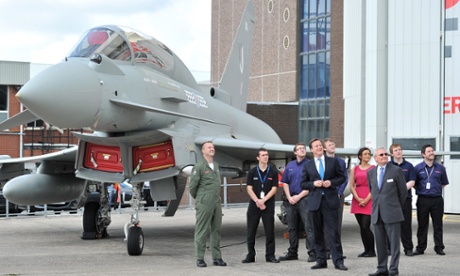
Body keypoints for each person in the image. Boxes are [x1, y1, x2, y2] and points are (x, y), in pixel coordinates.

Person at [300, 138, 348, 271]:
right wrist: (313, 184)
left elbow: (342, 178)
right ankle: (321, 260)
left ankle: (338, 261)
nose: (319, 147)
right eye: (316, 146)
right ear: (312, 150)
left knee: (333, 232)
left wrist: (331, 183)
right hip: (315, 202)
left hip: (330, 201)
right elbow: (303, 183)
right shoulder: (308, 165)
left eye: (320, 146)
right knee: (317, 233)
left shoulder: (333, 162)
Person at [367, 147, 407, 276]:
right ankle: (382, 268)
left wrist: (395, 207)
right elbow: (373, 191)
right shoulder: (371, 173)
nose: (384, 156)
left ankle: (393, 270)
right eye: (381, 154)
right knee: (379, 244)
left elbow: (403, 192)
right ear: (376, 158)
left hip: (392, 213)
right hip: (377, 214)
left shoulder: (396, 171)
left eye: (386, 154)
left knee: (394, 244)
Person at [189, 141, 227, 268]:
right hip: (205, 201)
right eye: (209, 147)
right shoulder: (199, 166)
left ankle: (217, 257)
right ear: (203, 151)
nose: (212, 149)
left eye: (213, 147)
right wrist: (201, 198)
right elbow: (192, 187)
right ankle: (200, 258)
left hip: (216, 201)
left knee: (216, 229)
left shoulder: (215, 165)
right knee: (202, 229)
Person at [242, 148, 280, 264]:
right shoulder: (252, 172)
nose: (265, 157)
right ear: (258, 158)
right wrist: (257, 201)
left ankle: (270, 255)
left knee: (270, 231)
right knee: (251, 231)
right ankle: (250, 255)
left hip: (268, 205)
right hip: (254, 205)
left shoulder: (273, 172)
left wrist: (263, 200)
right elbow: (249, 188)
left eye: (267, 155)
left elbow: (274, 189)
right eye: (263, 155)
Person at [278, 143, 315, 262]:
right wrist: (289, 197)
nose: (302, 150)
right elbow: (285, 182)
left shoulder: (310, 164)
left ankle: (312, 253)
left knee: (308, 227)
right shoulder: (290, 165)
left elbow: (311, 184)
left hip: (304, 198)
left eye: (303, 149)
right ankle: (292, 252)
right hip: (290, 200)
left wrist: (299, 196)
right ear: (295, 152)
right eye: (299, 149)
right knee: (292, 227)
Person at [413, 144, 449, 256]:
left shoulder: (440, 168)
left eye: (432, 151)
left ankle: (439, 247)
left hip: (437, 199)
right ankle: (420, 248)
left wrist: (434, 190)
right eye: (429, 151)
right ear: (423, 154)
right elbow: (414, 183)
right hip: (423, 199)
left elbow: (443, 183)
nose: (431, 153)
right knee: (422, 225)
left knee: (438, 224)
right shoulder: (417, 168)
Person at [389, 144, 416, 256]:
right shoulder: (388, 166)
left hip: (406, 199)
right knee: (391, 225)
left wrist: (401, 189)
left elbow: (412, 181)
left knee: (406, 225)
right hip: (391, 200)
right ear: (392, 153)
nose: (399, 152)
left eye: (400, 149)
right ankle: (390, 248)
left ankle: (408, 248)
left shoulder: (409, 166)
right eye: (396, 150)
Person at [349, 147, 376, 257]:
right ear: (360, 156)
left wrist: (366, 199)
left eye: (369, 154)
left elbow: (375, 186)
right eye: (365, 154)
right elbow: (351, 185)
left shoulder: (373, 168)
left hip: (369, 198)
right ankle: (366, 250)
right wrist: (357, 197)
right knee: (361, 226)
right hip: (357, 198)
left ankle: (372, 251)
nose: (368, 156)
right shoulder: (354, 169)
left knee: (366, 225)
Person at [322, 138, 349, 237]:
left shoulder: (341, 162)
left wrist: (339, 192)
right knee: (324, 222)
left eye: (333, 144)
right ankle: (326, 249)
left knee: (337, 222)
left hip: (337, 195)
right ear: (324, 148)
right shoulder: (321, 161)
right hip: (325, 195)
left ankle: (336, 250)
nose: (332, 146)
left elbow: (344, 178)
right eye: (329, 145)